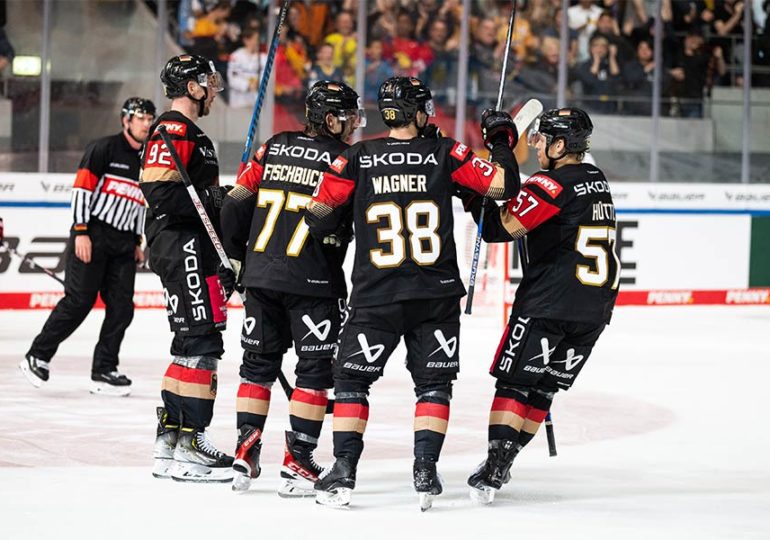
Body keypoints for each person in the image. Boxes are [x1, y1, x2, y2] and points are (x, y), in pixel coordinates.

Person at [306, 76, 521, 510]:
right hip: (436, 293)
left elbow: (317, 215)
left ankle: (344, 470)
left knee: (351, 383)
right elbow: (503, 188)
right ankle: (425, 470)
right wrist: (499, 140)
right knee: (434, 384)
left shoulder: (357, 157)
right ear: (416, 111)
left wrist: (348, 218)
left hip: (375, 294)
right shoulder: (446, 153)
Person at [461, 108, 618, 504]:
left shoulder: (551, 184)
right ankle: (506, 460)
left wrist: (471, 190)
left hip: (549, 303)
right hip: (593, 310)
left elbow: (498, 229)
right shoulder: (596, 180)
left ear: (561, 145)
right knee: (543, 388)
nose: (537, 144)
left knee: (515, 383)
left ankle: (496, 465)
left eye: (543, 138)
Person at [219, 80, 364, 495]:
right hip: (314, 282)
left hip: (261, 277)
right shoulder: (345, 158)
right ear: (332, 119)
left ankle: (244, 453)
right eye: (351, 117)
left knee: (256, 367)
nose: (355, 125)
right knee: (313, 373)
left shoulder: (274, 145)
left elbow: (234, 202)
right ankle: (298, 460)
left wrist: (235, 260)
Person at [20, 97, 154, 396]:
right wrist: (81, 231)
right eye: (141, 117)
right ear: (126, 120)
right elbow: (82, 189)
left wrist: (136, 240)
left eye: (149, 118)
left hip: (123, 243)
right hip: (93, 235)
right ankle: (38, 355)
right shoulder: (103, 148)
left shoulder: (147, 160)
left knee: (122, 308)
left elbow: (139, 204)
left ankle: (104, 369)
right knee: (79, 300)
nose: (146, 123)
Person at [141, 54, 233, 483]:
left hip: (188, 245)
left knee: (186, 343)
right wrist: (214, 201)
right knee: (202, 342)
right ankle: (193, 442)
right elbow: (162, 195)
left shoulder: (189, 132)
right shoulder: (175, 129)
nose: (213, 88)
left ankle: (171, 441)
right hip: (182, 245)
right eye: (207, 82)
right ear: (191, 87)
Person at [227, 27, 267, 108]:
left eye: (258, 39)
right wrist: (248, 85)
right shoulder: (236, 56)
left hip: (257, 102)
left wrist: (258, 83)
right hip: (239, 102)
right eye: (255, 39)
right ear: (246, 40)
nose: (257, 42)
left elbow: (266, 76)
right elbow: (232, 78)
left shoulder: (264, 57)